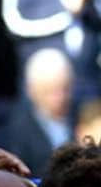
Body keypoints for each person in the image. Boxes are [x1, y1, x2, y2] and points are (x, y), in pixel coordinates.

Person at [5, 48, 76, 179]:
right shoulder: (19, 132)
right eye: (50, 92)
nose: (60, 97)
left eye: (65, 89)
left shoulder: (84, 115)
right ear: (31, 90)